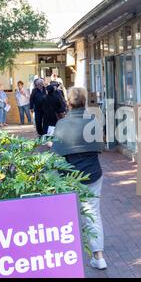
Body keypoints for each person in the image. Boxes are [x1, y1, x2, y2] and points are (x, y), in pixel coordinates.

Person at [51, 87, 107, 270]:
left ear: (68, 103)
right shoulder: (93, 122)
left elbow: (57, 152)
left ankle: (69, 256)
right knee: (93, 214)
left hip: (69, 176)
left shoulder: (61, 125)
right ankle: (99, 257)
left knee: (68, 215)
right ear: (85, 102)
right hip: (93, 174)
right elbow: (100, 147)